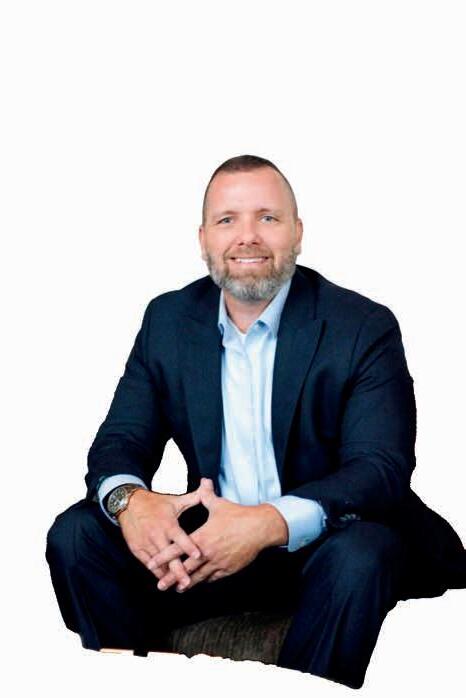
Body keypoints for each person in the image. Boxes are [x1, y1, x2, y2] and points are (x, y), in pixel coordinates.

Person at [45, 154, 465, 689]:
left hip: (324, 543)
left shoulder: (362, 326)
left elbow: (380, 468)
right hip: (210, 544)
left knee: (364, 554)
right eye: (227, 220)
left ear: (298, 233)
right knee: (77, 533)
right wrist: (133, 503)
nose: (247, 236)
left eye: (268, 217)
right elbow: (121, 441)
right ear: (203, 239)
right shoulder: (168, 320)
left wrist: (267, 522)